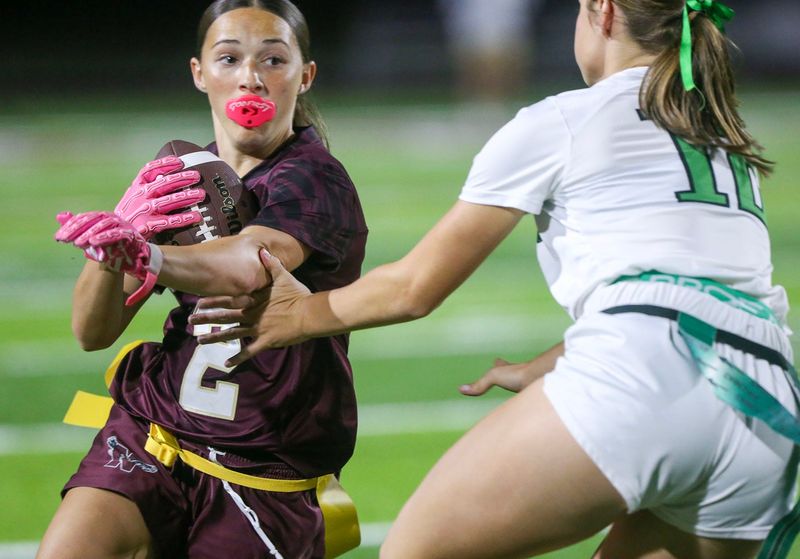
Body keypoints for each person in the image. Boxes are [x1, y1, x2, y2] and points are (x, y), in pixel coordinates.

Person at [189, 0, 799, 557]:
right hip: (770, 408)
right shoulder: (719, 135)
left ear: (602, 13)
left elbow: (415, 287)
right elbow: (707, 294)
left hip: (644, 380)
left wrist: (304, 313)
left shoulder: (564, 118)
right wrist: (557, 360)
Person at [39, 1, 367, 558]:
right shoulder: (186, 178)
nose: (250, 76)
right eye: (229, 58)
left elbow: (246, 264)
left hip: (262, 463)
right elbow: (91, 333)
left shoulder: (315, 178)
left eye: (273, 60)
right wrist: (108, 248)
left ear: (304, 75)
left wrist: (146, 254)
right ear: (199, 73)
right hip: (153, 430)